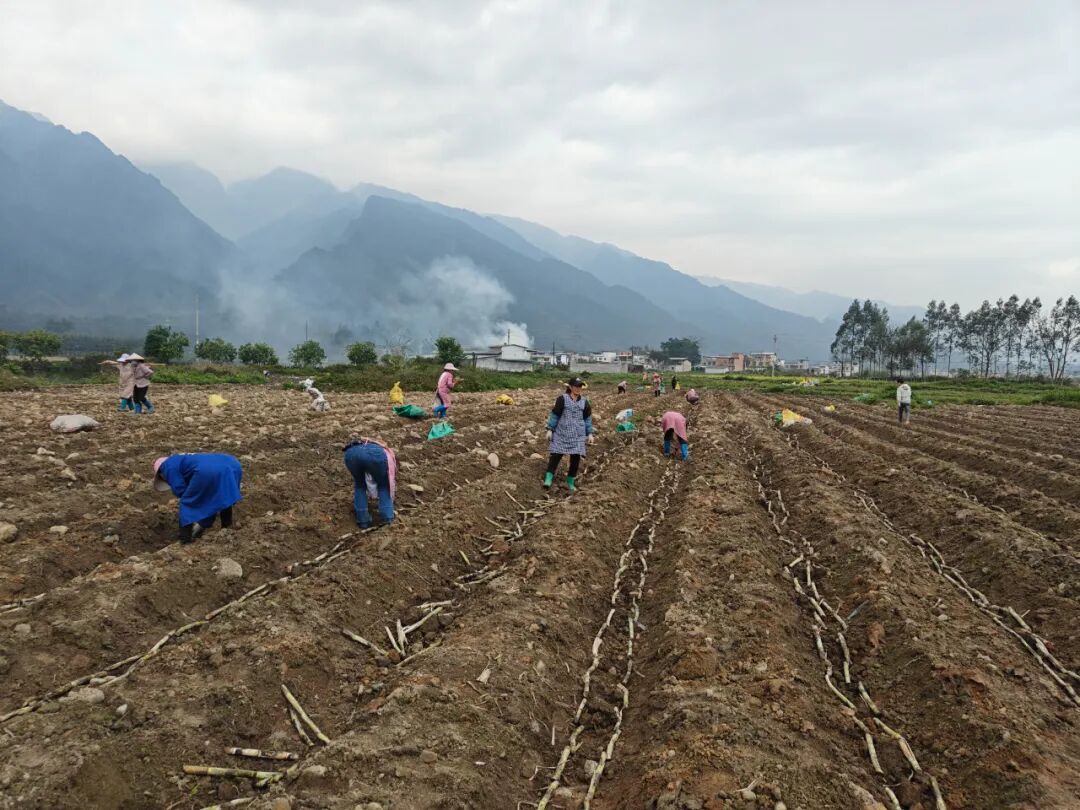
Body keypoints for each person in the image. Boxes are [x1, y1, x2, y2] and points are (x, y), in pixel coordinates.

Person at [153, 454, 243, 544]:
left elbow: (179, 489)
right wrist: (203, 522)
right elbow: (209, 497)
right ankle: (227, 528)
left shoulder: (167, 466)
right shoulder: (184, 460)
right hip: (233, 465)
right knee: (223, 496)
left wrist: (192, 500)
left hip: (209, 471)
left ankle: (185, 540)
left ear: (161, 474)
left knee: (186, 502)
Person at [543, 377, 595, 492]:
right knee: (556, 455)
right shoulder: (562, 399)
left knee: (575, 458)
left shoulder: (584, 402)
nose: (578, 388)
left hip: (578, 434)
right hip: (562, 432)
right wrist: (550, 429)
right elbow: (555, 415)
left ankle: (570, 481)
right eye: (576, 386)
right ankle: (548, 478)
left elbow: (587, 419)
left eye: (580, 386)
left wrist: (590, 433)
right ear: (570, 387)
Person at [343, 437, 397, 528]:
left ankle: (363, 521)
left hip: (351, 452)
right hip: (375, 455)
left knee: (360, 485)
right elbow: (390, 476)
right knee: (384, 486)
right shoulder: (384, 451)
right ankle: (388, 520)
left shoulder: (364, 443)